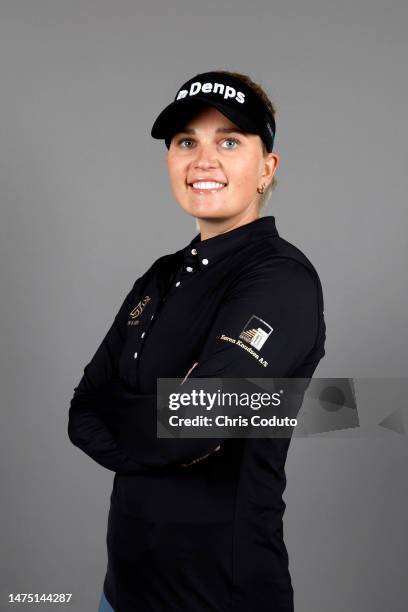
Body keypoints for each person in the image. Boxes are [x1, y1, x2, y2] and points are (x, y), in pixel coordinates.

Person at [68, 70, 326, 612]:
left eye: (228, 141)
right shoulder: (159, 277)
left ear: (266, 168)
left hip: (218, 598)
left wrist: (141, 411)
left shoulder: (280, 279)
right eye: (187, 141)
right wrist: (163, 415)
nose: (203, 161)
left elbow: (194, 423)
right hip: (121, 593)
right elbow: (83, 411)